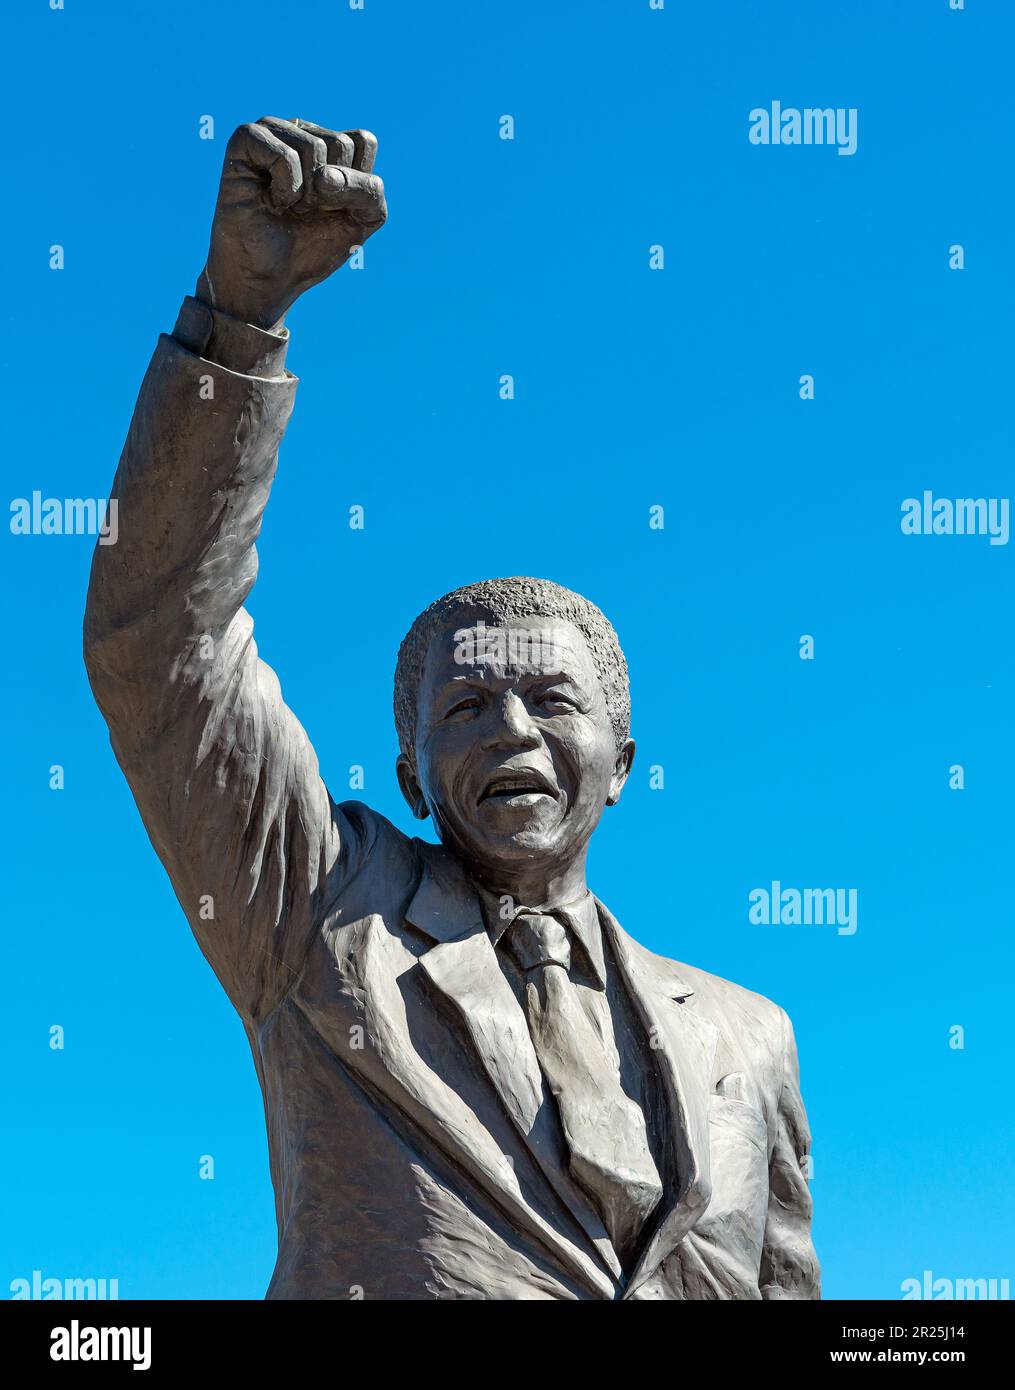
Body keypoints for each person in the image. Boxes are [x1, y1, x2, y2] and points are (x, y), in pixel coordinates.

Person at [84, 117, 819, 1301]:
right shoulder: (317, 913)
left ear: (621, 760)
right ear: (416, 773)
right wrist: (239, 319)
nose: (512, 731)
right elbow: (163, 643)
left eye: (550, 700)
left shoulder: (748, 1035)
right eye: (467, 705)